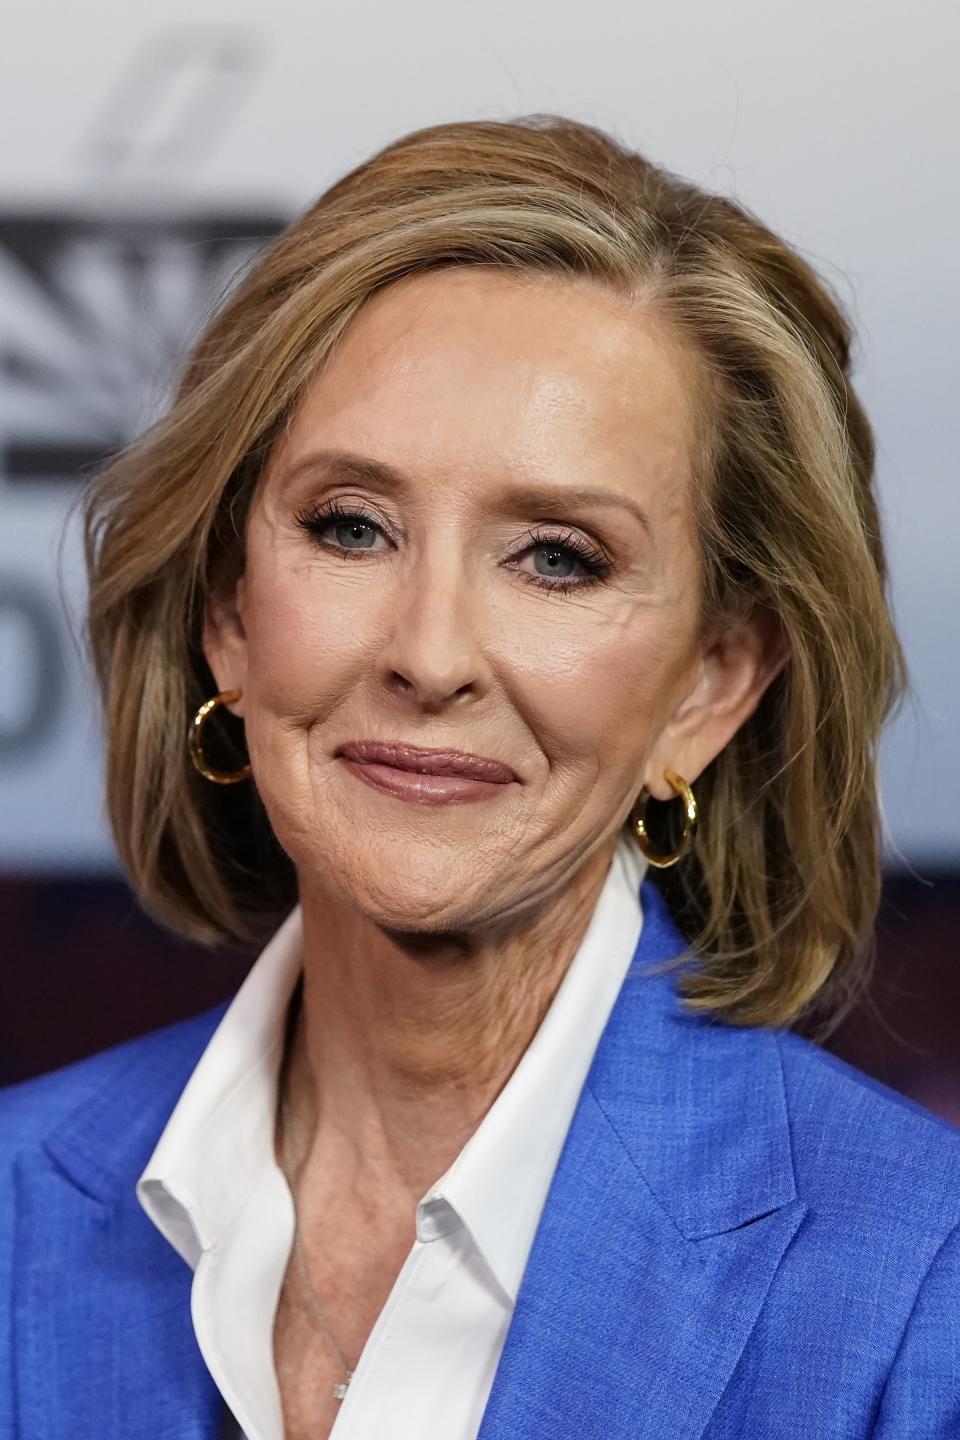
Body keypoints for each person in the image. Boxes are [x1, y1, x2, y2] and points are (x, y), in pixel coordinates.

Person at [2, 112, 959, 1440]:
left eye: (559, 555)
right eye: (350, 527)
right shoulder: (13, 1205)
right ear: (228, 612)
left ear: (712, 683)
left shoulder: (923, 1289)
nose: (429, 653)